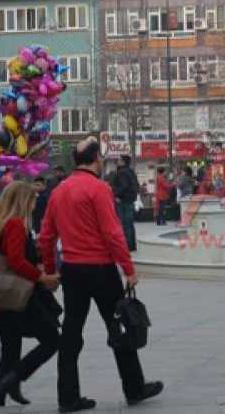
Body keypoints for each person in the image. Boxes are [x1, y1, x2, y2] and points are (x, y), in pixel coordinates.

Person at [38, 137, 163, 412]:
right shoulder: (98, 189)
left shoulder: (58, 192)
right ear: (96, 159)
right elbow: (112, 233)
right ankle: (134, 387)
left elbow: (46, 237)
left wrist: (50, 271)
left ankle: (68, 397)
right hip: (102, 270)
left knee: (71, 334)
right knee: (119, 326)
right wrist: (128, 269)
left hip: (72, 271)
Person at [0, 181, 62, 408]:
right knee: (52, 340)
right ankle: (15, 378)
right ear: (23, 200)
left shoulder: (0, 224)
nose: (36, 203)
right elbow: (16, 262)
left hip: (0, 301)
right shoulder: (16, 224)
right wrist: (42, 278)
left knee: (8, 355)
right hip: (17, 298)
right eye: (33, 199)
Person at [109, 155, 140, 252]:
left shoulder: (122, 172)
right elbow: (136, 185)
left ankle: (125, 246)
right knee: (129, 223)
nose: (117, 161)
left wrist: (115, 195)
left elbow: (123, 186)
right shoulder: (131, 172)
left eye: (119, 160)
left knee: (123, 224)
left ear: (123, 162)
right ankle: (131, 245)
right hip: (130, 200)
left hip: (123, 200)